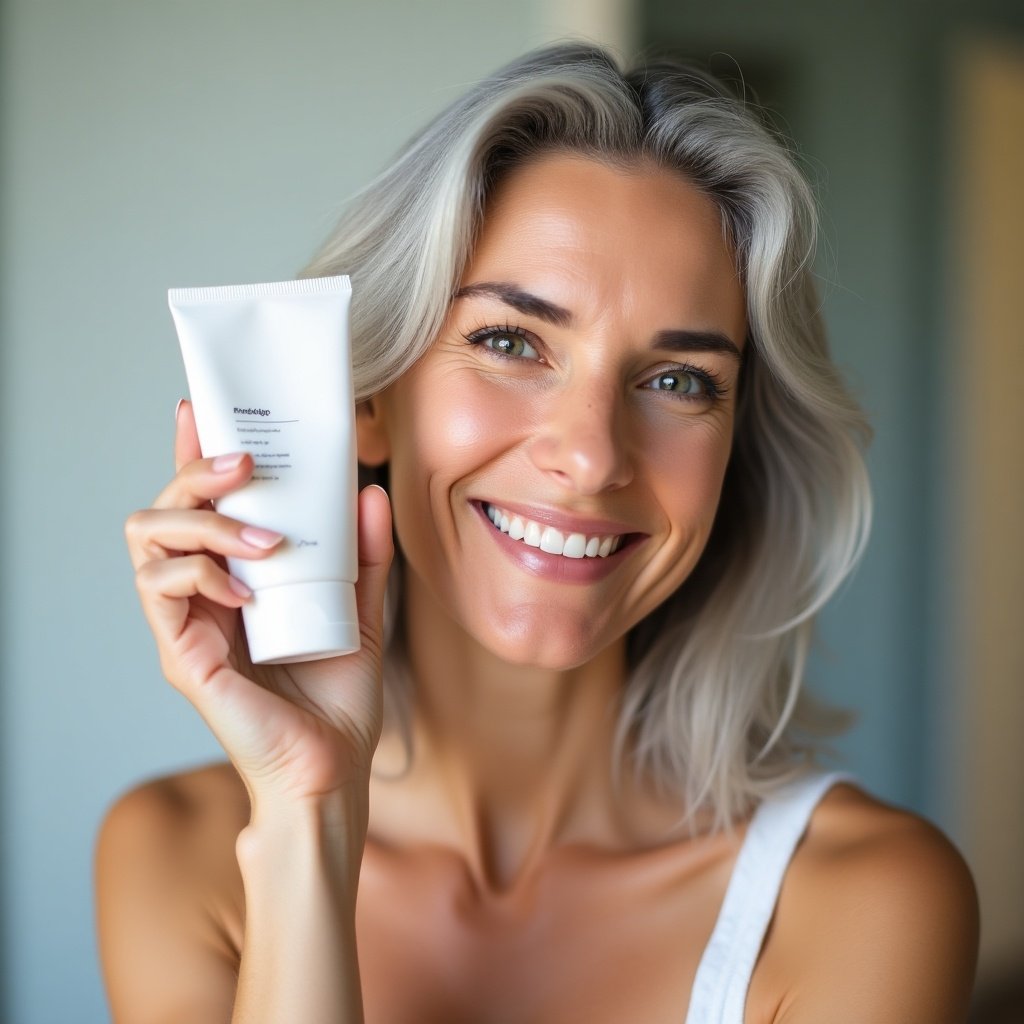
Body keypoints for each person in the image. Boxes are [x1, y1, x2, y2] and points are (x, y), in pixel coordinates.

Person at [98, 43, 979, 1023]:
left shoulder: (861, 898)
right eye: (511, 343)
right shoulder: (175, 852)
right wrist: (307, 813)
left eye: (678, 380)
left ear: (738, 448)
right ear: (367, 399)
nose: (593, 454)